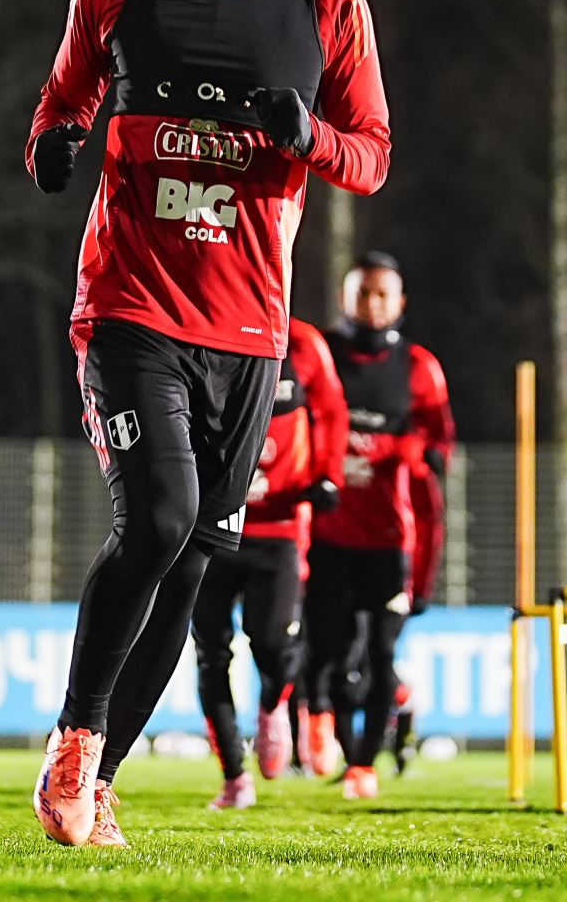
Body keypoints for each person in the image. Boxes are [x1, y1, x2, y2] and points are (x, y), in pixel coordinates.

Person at [26, 0, 390, 847]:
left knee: (189, 562)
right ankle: (72, 745)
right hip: (133, 305)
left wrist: (307, 135)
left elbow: (371, 156)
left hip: (250, 332)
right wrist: (53, 145)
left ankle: (100, 780)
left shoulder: (331, 7)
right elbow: (62, 99)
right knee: (160, 521)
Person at [304, 252, 452, 800]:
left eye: (382, 294)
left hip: (390, 540)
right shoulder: (321, 354)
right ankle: (342, 748)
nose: (372, 303)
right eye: (362, 292)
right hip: (325, 536)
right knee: (330, 660)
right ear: (346, 296)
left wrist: (422, 456)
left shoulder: (419, 367)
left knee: (383, 657)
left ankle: (365, 766)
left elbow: (440, 443)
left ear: (401, 303)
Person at [194, 316, 346, 810]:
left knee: (276, 644)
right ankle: (234, 777)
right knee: (210, 652)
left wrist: (326, 475)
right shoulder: (200, 331)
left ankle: (273, 705)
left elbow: (332, 411)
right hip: (212, 522)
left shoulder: (303, 343)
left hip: (278, 528)